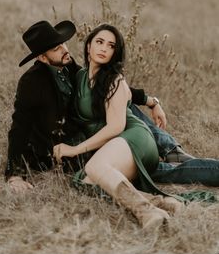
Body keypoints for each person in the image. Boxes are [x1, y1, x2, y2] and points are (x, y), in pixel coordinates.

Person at [5, 19, 219, 194]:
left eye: (63, 43)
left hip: (109, 134)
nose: (65, 49)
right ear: (43, 57)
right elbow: (19, 127)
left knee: (124, 108)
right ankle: (177, 162)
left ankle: (170, 148)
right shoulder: (33, 83)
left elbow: (112, 89)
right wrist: (14, 174)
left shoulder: (69, 65)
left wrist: (150, 100)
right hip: (86, 142)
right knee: (154, 172)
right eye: (56, 48)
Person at [53, 23, 186, 229]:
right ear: (88, 46)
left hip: (134, 139)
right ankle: (163, 203)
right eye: (99, 42)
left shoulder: (115, 81)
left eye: (111, 45)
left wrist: (75, 149)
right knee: (86, 182)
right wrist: (152, 101)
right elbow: (133, 94)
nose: (104, 48)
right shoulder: (80, 76)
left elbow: (115, 127)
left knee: (94, 168)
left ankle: (147, 213)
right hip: (115, 148)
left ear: (115, 53)